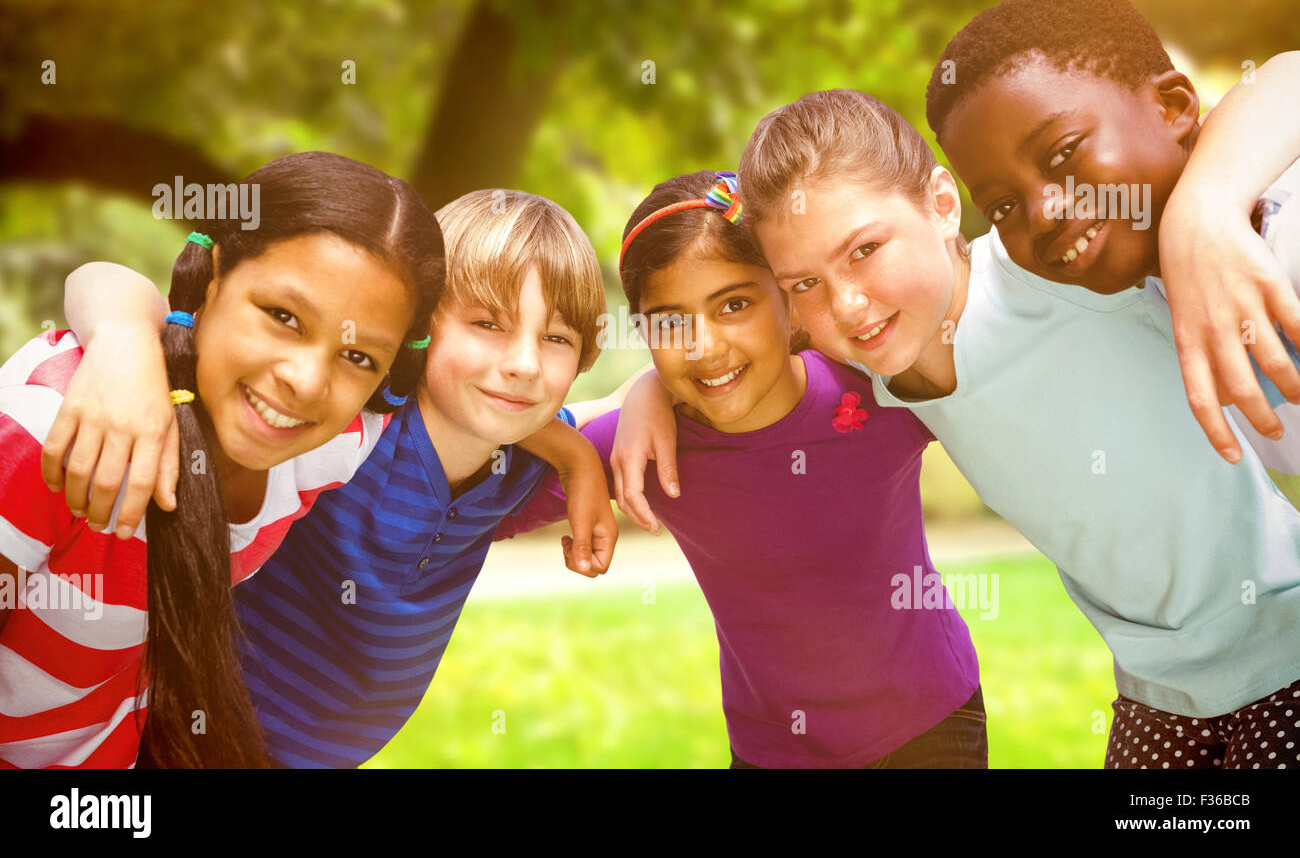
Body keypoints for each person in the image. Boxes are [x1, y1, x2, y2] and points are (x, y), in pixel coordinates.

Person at [615, 88, 1300, 768]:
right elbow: (731, 352)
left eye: (865, 249)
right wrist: (649, 384)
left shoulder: (1046, 265)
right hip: (1161, 696)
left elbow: (1284, 84)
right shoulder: (871, 372)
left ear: (943, 205)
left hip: (1284, 649)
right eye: (804, 285)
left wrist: (1204, 204)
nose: (848, 305)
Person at [52, 188, 619, 767]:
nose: (524, 363)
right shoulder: (336, 425)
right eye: (486, 323)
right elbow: (106, 282)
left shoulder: (515, 467)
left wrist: (577, 450)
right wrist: (120, 341)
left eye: (556, 339)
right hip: (177, 746)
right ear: (415, 327)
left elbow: (623, 409)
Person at [499, 170, 985, 768]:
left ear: (788, 299)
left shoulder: (873, 385)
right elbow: (473, 476)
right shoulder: (640, 446)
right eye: (670, 322)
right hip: (772, 752)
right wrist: (585, 439)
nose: (704, 346)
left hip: (931, 723)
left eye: (734, 304)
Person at [0, 151, 445, 767]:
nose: (307, 381)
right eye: (284, 317)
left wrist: (606, 427)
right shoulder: (60, 431)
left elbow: (496, 395)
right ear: (212, 279)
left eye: (360, 358)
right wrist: (123, 333)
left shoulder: (332, 444)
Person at [926, 0, 1300, 471]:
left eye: (1063, 152)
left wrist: (1203, 208)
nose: (1042, 214)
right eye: (1003, 207)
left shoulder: (1282, 230)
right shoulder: (1132, 304)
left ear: (1172, 108)